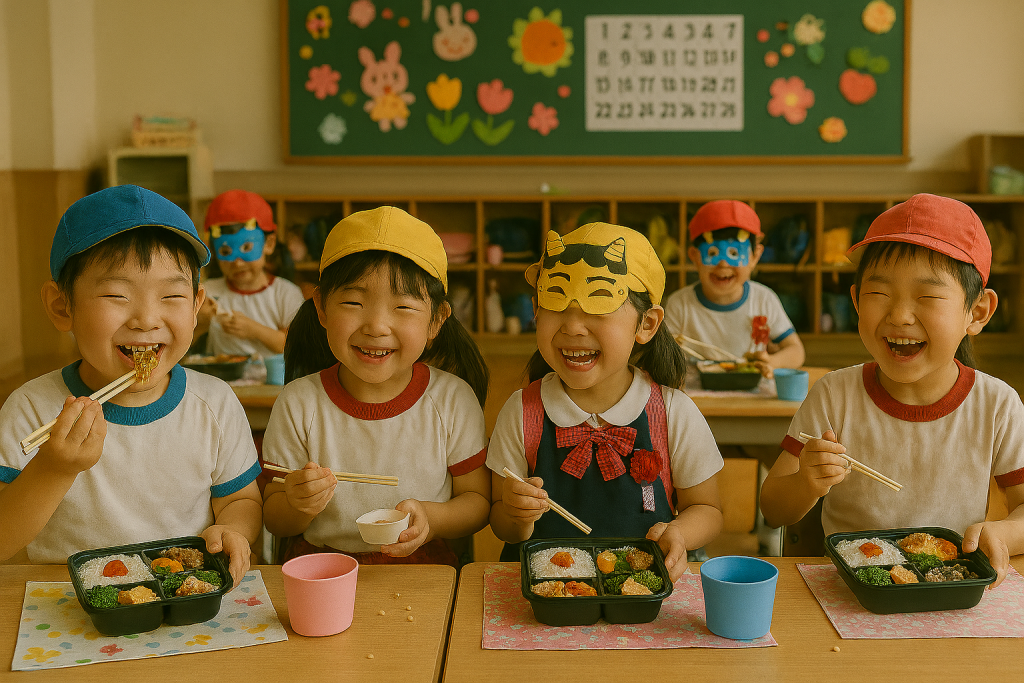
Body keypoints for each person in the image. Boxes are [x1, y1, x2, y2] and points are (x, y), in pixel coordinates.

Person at [0, 185, 262, 585]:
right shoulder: (32, 409)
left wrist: (233, 530)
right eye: (116, 294)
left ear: (195, 307)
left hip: (184, 597)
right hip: (68, 610)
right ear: (61, 306)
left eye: (172, 295)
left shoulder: (213, 403)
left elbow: (241, 499)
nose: (146, 319)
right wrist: (54, 468)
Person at [760, 194, 1024, 586]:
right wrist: (805, 483)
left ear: (977, 312)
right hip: (851, 589)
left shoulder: (997, 404)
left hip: (948, 585)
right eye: (879, 294)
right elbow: (773, 508)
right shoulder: (834, 395)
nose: (899, 315)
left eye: (928, 296)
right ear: (856, 301)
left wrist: (1003, 532)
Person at [487, 223, 725, 582]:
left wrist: (680, 532)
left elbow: (706, 508)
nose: (573, 327)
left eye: (597, 308)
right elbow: (501, 523)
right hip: (548, 596)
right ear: (536, 310)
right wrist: (514, 514)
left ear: (646, 324)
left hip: (639, 591)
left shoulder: (673, 412)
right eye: (555, 303)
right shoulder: (522, 412)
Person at [262, 206, 491, 566]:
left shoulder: (452, 399)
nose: (377, 326)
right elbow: (274, 517)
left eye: (403, 307)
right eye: (353, 302)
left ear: (437, 321)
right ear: (321, 307)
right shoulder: (299, 402)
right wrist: (296, 502)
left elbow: (478, 502)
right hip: (322, 569)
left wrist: (432, 519)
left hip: (425, 570)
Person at [663, 200, 805, 378]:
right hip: (694, 398)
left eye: (734, 254)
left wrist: (772, 362)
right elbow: (662, 357)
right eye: (713, 254)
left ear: (755, 256)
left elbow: (796, 351)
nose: (723, 264)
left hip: (752, 397)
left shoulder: (764, 299)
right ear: (694, 256)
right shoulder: (679, 304)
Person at [194, 190, 304, 358]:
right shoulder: (207, 293)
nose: (238, 263)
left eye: (246, 249)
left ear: (268, 244)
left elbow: (296, 345)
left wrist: (254, 330)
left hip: (273, 382)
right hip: (223, 380)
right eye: (225, 251)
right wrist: (201, 323)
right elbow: (183, 345)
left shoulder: (286, 293)